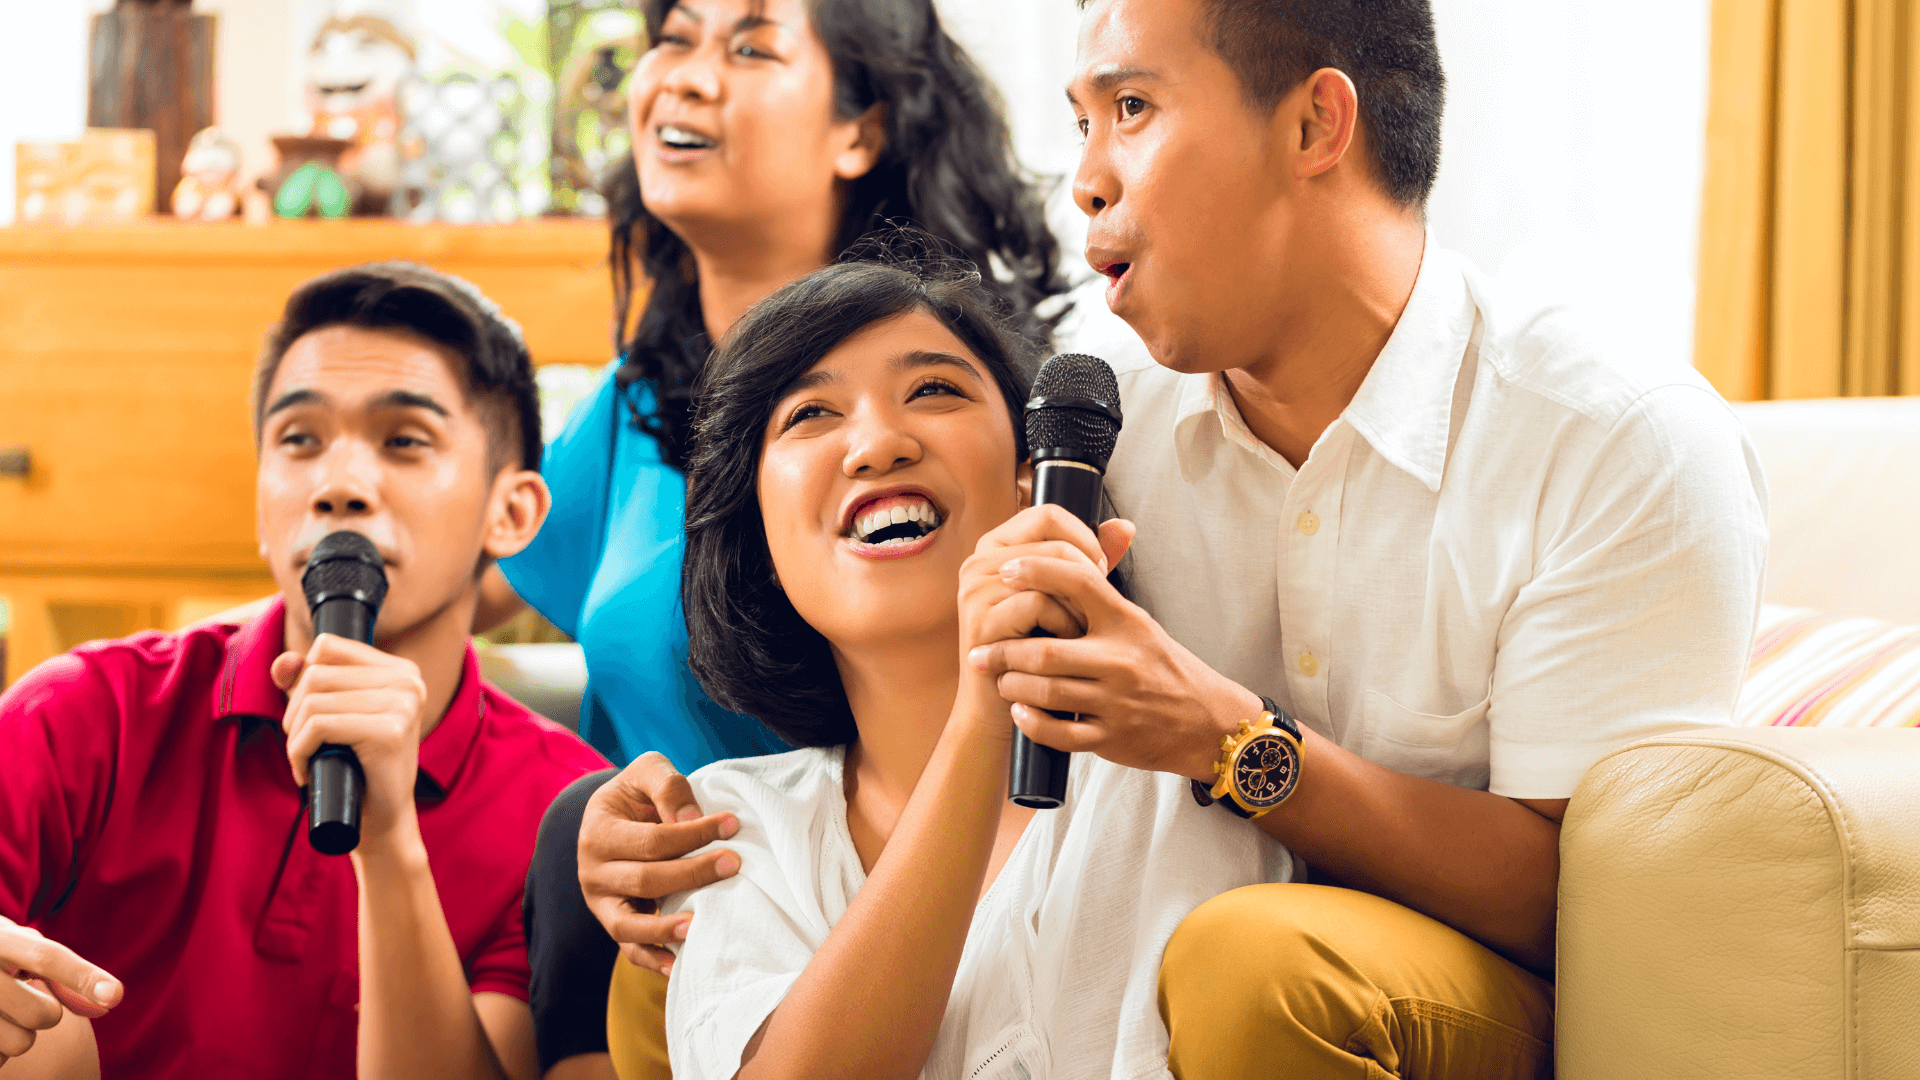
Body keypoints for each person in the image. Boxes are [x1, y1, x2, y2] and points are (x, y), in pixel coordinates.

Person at [576, 1, 1771, 1078]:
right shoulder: (1097, 432)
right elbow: (892, 651)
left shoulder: (1613, 442)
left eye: (1132, 110)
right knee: (668, 975)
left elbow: (1616, 906)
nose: (1085, 182)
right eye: (1082, 122)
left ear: (1315, 126)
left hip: (1462, 984)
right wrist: (637, 828)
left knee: (1254, 965)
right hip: (1154, 935)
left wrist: (1234, 744)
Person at [483, 2, 1070, 1074]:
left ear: (863, 130)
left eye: (751, 46)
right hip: (702, 932)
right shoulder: (631, 406)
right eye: (674, 37)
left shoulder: (1001, 401)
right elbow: (450, 583)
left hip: (973, 887)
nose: (688, 76)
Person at [634, 253, 1290, 1080]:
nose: (876, 444)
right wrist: (982, 722)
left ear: (1034, 482)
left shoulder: (1172, 787)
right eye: (810, 415)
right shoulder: (731, 829)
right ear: (759, 538)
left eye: (934, 391)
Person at [0, 263, 608, 1079]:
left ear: (512, 512)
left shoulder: (569, 811)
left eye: (404, 441)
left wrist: (389, 842)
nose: (339, 485)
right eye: (299, 441)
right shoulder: (88, 712)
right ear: (261, 498)